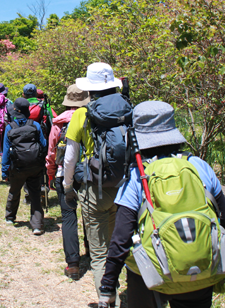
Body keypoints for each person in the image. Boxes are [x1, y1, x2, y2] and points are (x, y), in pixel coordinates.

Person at [98, 101, 225, 308]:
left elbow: (121, 238)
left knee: (136, 270)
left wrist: (108, 285)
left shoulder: (137, 176)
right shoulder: (199, 166)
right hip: (201, 270)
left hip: (152, 275)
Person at [63, 62, 123, 305]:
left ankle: (109, 300)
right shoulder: (126, 111)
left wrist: (68, 185)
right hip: (122, 188)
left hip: (94, 187)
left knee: (99, 254)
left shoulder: (81, 114)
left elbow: (70, 157)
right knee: (115, 247)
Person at [46, 84, 90, 280]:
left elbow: (51, 152)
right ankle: (93, 253)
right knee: (90, 215)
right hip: (89, 173)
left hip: (64, 174)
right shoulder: (93, 117)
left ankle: (72, 265)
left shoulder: (59, 122)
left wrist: (50, 174)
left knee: (68, 217)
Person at [2, 98, 47, 235]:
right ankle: (37, 225)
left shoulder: (10, 127)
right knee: (35, 193)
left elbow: (6, 152)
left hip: (18, 167)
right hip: (35, 166)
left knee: (14, 191)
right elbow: (44, 145)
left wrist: (5, 171)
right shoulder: (35, 125)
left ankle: (10, 217)